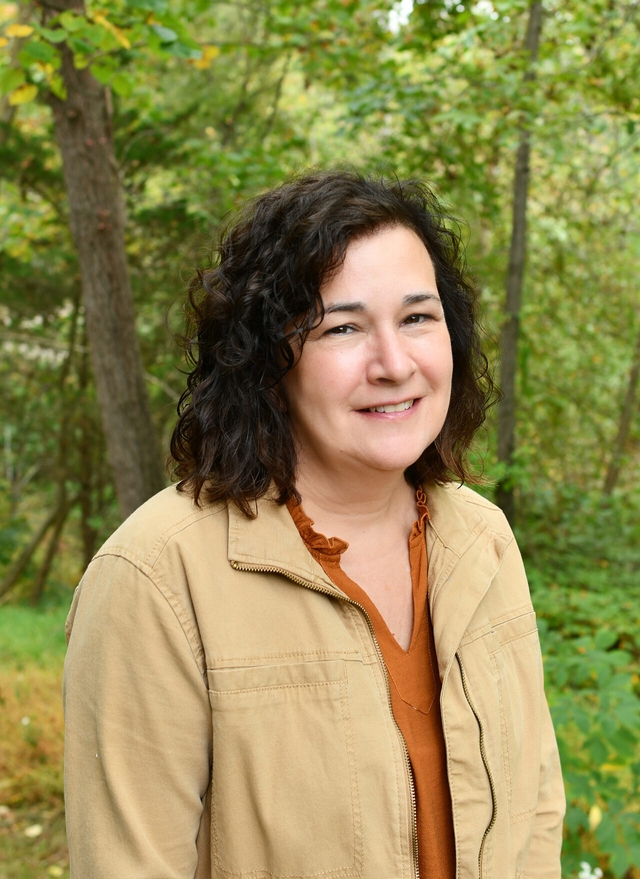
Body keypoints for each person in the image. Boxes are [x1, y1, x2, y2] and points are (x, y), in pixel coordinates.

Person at [63, 170, 565, 879]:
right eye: (342, 327)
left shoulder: (483, 539)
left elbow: (536, 809)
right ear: (268, 359)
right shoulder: (156, 578)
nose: (394, 364)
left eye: (417, 318)